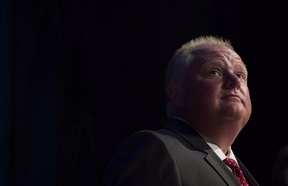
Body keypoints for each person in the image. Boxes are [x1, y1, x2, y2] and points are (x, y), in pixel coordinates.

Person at [103, 35, 259, 186]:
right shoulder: (155, 151)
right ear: (177, 94)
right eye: (214, 72)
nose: (235, 81)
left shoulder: (240, 172)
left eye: (240, 74)